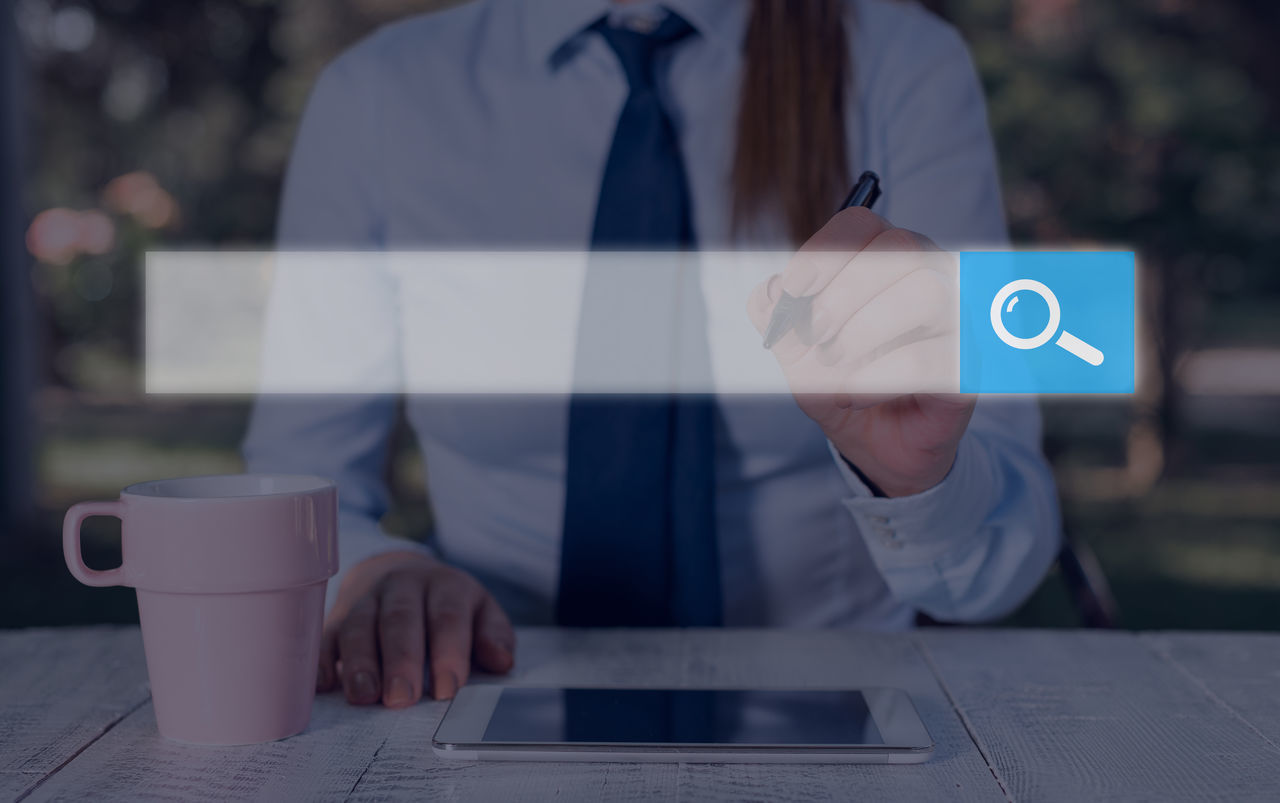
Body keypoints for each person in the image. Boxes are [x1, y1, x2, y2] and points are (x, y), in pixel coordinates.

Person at [244, 0, 1061, 710]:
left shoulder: (902, 64)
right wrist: (373, 569)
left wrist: (918, 480)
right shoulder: (380, 94)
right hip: (487, 690)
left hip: (837, 703)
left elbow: (1001, 556)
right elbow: (293, 481)